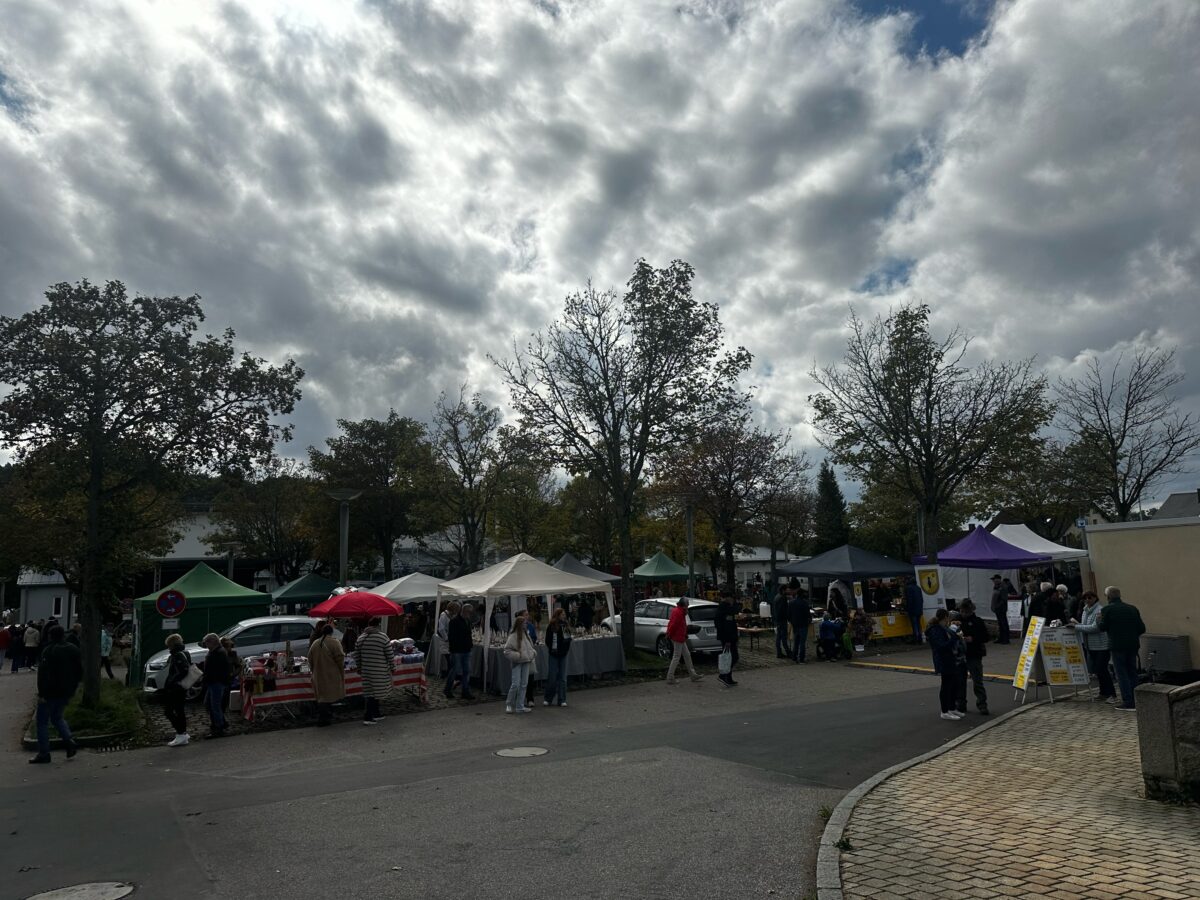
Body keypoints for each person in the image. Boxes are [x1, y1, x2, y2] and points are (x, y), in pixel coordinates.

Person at [29, 625, 82, 764]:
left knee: (42, 722)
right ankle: (69, 741)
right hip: (66, 691)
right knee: (57, 717)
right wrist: (74, 687)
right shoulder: (73, 649)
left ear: (50, 636)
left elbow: (43, 674)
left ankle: (44, 753)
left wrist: (42, 693)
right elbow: (79, 670)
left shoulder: (49, 651)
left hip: (50, 691)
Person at [1098, 586, 1146, 711]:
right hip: (1133, 645)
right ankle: (1136, 699)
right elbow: (1142, 628)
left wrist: (1098, 621)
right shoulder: (1132, 608)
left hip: (1117, 645)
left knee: (1121, 673)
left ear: (1108, 597)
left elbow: (1102, 627)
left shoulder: (1107, 610)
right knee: (1132, 672)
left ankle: (1128, 701)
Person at [1071, 591, 1115, 703]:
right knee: (1098, 671)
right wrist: (1077, 625)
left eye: (1090, 598)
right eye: (1085, 598)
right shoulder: (1085, 611)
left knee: (1102, 669)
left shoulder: (1099, 610)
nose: (1087, 600)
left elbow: (1095, 628)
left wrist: (1077, 627)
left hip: (1102, 645)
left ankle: (1111, 694)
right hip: (1090, 645)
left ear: (1095, 598)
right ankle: (1103, 693)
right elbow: (1086, 626)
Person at [925, 609, 963, 721]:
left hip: (949, 659)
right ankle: (944, 711)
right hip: (943, 660)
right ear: (945, 617)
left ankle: (951, 708)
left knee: (953, 684)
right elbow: (941, 646)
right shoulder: (935, 630)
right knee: (946, 685)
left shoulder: (942, 628)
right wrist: (954, 638)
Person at [356, 618, 394, 725]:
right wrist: (393, 667)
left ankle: (376, 713)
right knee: (374, 694)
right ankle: (368, 717)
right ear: (378, 625)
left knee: (370, 692)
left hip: (366, 670)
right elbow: (390, 654)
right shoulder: (383, 637)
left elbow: (357, 655)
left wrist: (359, 667)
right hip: (379, 670)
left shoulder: (360, 638)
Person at [956, 600, 990, 715]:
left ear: (971, 611)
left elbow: (986, 637)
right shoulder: (956, 621)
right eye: (962, 611)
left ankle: (982, 703)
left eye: (966, 612)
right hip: (960, 654)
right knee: (960, 681)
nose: (964, 614)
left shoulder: (977, 621)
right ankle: (960, 703)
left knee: (977, 681)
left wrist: (973, 639)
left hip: (974, 653)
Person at [308, 623, 345, 726]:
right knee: (329, 696)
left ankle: (324, 716)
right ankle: (325, 717)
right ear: (331, 632)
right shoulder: (335, 642)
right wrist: (341, 672)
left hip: (318, 674)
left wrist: (314, 670)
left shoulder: (315, 643)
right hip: (331, 674)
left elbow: (309, 658)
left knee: (322, 696)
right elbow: (340, 659)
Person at [503, 613, 537, 713]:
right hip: (517, 662)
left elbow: (530, 646)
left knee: (524, 684)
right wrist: (517, 656)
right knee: (515, 684)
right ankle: (509, 704)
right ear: (519, 624)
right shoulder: (513, 636)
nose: (526, 624)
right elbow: (507, 650)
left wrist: (532, 653)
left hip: (526, 661)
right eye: (524, 623)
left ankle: (520, 706)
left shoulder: (526, 635)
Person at [665, 598, 702, 685]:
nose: (688, 605)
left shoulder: (678, 611)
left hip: (679, 636)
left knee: (686, 655)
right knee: (677, 656)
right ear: (684, 605)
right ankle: (670, 677)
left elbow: (674, 624)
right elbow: (674, 625)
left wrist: (669, 634)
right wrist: (669, 634)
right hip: (678, 637)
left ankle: (692, 674)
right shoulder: (679, 612)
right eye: (687, 604)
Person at [200, 633, 230, 738]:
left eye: (206, 643)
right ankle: (221, 723)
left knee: (214, 706)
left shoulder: (218, 653)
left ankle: (219, 727)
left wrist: (205, 677)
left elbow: (215, 670)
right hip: (214, 682)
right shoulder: (217, 651)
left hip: (216, 683)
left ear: (212, 642)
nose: (206, 645)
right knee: (210, 704)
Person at [163, 633, 191, 747]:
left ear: (172, 645)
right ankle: (182, 733)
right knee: (179, 710)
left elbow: (183, 670)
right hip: (181, 687)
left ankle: (181, 733)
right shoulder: (185, 653)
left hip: (176, 688)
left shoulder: (178, 655)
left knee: (170, 711)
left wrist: (173, 681)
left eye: (169, 646)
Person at [444, 602, 475, 701]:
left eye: (470, 612)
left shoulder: (467, 620)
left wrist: (470, 645)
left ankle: (465, 691)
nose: (469, 614)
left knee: (466, 671)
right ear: (464, 611)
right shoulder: (454, 621)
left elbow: (468, 634)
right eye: (469, 612)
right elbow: (451, 637)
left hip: (466, 649)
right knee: (455, 670)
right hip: (457, 650)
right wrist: (454, 649)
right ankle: (448, 689)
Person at [543, 607, 572, 707]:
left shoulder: (565, 625)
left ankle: (562, 699)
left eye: (564, 614)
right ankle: (548, 698)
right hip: (553, 654)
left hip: (563, 654)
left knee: (562, 678)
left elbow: (568, 640)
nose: (564, 616)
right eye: (563, 614)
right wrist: (552, 649)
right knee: (552, 677)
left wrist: (565, 650)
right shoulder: (551, 626)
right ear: (558, 615)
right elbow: (547, 640)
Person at [714, 593, 739, 686]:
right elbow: (726, 625)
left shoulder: (726, 607)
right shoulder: (724, 608)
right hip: (728, 637)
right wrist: (728, 639)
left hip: (729, 637)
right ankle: (724, 675)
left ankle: (727, 676)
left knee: (730, 657)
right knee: (733, 657)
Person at [787, 587, 812, 663]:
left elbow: (789, 615)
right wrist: (809, 621)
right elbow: (808, 615)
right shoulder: (805, 603)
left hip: (795, 624)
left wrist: (792, 621)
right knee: (802, 643)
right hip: (803, 625)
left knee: (796, 642)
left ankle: (794, 657)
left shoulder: (791, 602)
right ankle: (801, 658)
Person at [989, 574, 1011, 644]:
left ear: (998, 579)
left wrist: (997, 606)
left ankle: (1006, 639)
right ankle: (1001, 638)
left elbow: (1004, 599)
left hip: (1001, 608)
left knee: (1004, 623)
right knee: (1000, 624)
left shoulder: (1003, 587)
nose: (993, 581)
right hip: (997, 608)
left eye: (994, 579)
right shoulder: (996, 587)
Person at [773, 586, 791, 659]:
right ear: (783, 590)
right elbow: (783, 610)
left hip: (778, 619)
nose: (788, 591)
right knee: (783, 637)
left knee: (779, 637)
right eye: (787, 590)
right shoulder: (782, 598)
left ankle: (779, 652)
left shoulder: (777, 596)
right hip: (782, 620)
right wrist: (788, 617)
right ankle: (788, 652)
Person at [904, 577, 923, 643]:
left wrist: (907, 609)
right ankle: (920, 638)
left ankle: (916, 638)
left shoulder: (908, 588)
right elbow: (921, 599)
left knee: (914, 624)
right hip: (919, 609)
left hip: (913, 609)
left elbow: (909, 600)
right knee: (918, 623)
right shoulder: (918, 588)